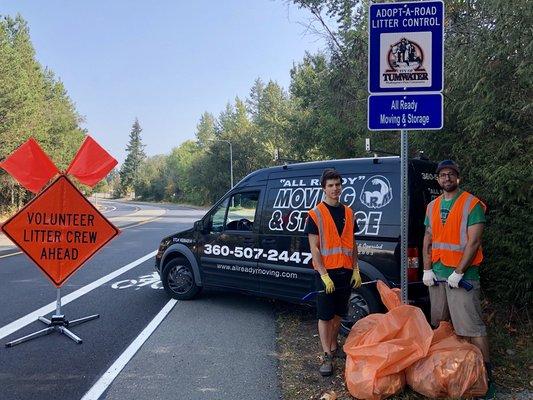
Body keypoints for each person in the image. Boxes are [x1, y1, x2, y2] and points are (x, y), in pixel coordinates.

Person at [422, 160, 495, 399]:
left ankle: (485, 376)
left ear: (458, 178)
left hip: (462, 277)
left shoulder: (471, 204)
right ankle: (453, 374)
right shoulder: (432, 206)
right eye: (442, 175)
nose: (446, 178)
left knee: (472, 327)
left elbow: (473, 242)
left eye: (451, 174)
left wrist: (460, 271)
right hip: (438, 276)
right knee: (442, 326)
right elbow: (428, 240)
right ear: (438, 180)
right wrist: (427, 269)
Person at [305, 168, 362, 376]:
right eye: (330, 185)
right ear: (324, 188)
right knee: (325, 316)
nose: (335, 188)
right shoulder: (315, 214)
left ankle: (334, 347)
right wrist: (323, 274)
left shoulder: (348, 212)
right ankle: (326, 355)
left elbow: (353, 243)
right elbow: (315, 248)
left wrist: (356, 269)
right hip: (326, 275)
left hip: (345, 272)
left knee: (339, 314)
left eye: (337, 184)